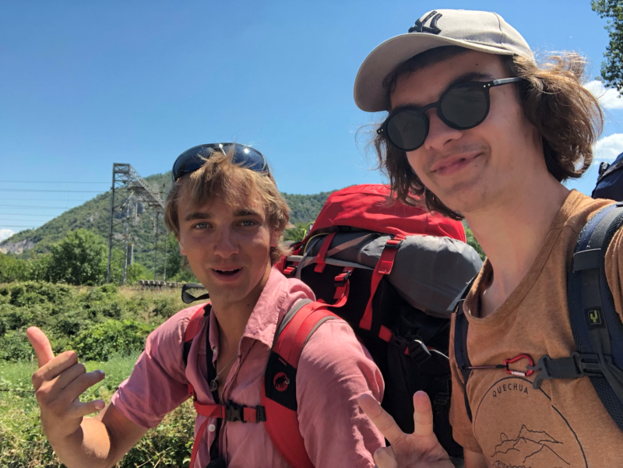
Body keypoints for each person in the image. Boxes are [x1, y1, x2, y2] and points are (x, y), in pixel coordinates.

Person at [353, 8, 623, 468]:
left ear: (535, 103)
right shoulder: (466, 323)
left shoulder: (614, 260)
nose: (436, 136)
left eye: (466, 98)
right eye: (409, 124)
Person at [27, 143, 385, 468]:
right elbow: (106, 445)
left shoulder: (324, 359)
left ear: (275, 231)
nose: (224, 247)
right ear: (179, 238)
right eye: (202, 225)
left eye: (245, 223)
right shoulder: (186, 337)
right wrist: (63, 429)